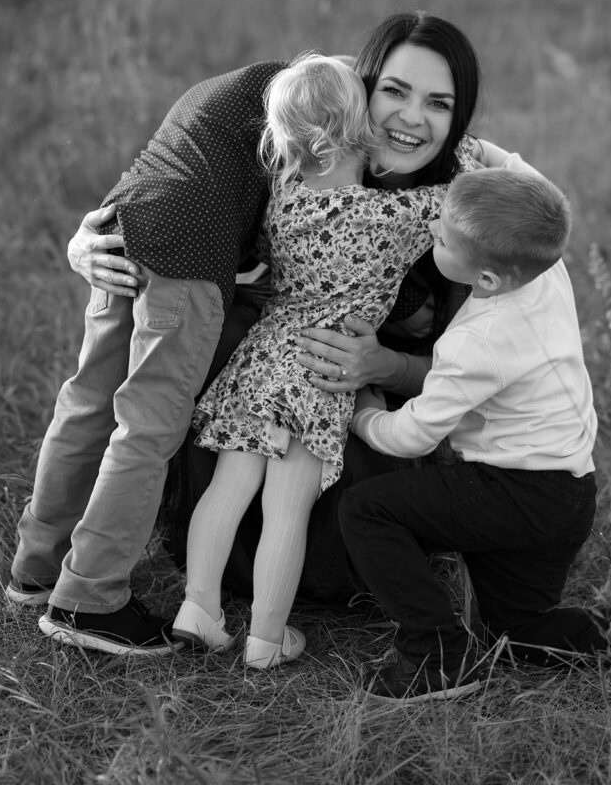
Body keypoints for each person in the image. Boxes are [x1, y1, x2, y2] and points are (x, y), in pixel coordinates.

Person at [28, 10, 488, 646]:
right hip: (246, 319)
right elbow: (451, 201)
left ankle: (58, 572)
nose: (411, 118)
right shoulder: (384, 190)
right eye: (396, 94)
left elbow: (191, 176)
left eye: (439, 104)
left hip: (166, 266)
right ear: (361, 96)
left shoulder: (288, 158)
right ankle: (121, 607)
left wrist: (105, 224)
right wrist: (478, 156)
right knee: (189, 448)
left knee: (105, 414)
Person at [170, 53, 493, 669]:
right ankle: (266, 639)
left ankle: (198, 609)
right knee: (286, 509)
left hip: (260, 365)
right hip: (321, 376)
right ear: (362, 130)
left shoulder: (284, 197)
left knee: (228, 488)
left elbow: (264, 253)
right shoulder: (389, 216)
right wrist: (466, 143)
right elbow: (462, 188)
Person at [5, 61, 287, 654]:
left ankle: (38, 568)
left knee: (88, 404)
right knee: (148, 426)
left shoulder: (252, 83)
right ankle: (89, 601)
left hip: (125, 224)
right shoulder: (323, 101)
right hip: (187, 254)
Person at [341, 166, 611, 703]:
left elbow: (412, 435)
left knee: (367, 510)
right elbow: (523, 174)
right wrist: (482, 154)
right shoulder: (545, 270)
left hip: (515, 493)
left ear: (484, 281)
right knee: (520, 634)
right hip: (569, 493)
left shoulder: (476, 343)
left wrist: (364, 408)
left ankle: (434, 654)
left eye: (438, 238)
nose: (430, 234)